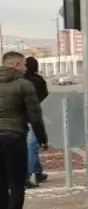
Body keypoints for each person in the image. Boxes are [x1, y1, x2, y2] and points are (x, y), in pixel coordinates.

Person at [0, 52, 47, 209]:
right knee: (17, 183)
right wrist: (42, 138)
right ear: (16, 65)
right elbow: (35, 115)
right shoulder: (24, 85)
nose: (26, 68)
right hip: (14, 137)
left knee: (1, 183)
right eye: (24, 65)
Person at [23, 56, 49, 188]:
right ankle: (33, 173)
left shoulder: (21, 80)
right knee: (33, 145)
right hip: (36, 117)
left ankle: (34, 173)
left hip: (23, 118)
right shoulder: (39, 80)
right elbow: (45, 98)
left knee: (30, 146)